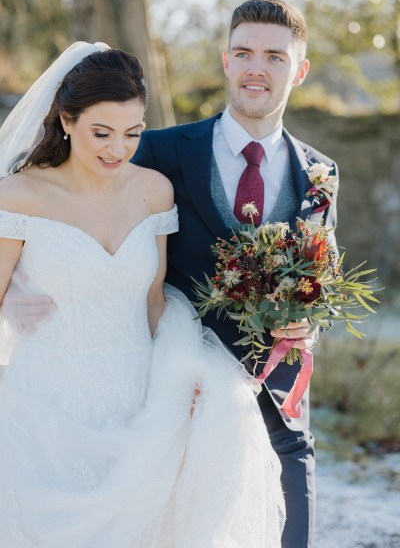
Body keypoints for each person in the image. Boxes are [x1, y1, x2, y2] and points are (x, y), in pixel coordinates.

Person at [0, 42, 285, 546]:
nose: (118, 149)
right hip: (44, 407)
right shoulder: (19, 195)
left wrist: (188, 376)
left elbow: (154, 303)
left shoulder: (155, 190)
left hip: (142, 405)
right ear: (66, 120)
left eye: (133, 133)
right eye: (101, 133)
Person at [133, 0, 339, 548]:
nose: (256, 67)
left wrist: (310, 325)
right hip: (180, 405)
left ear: (299, 70)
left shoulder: (320, 172)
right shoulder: (158, 153)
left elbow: (323, 278)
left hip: (280, 414)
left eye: (275, 56)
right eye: (244, 52)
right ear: (226, 61)